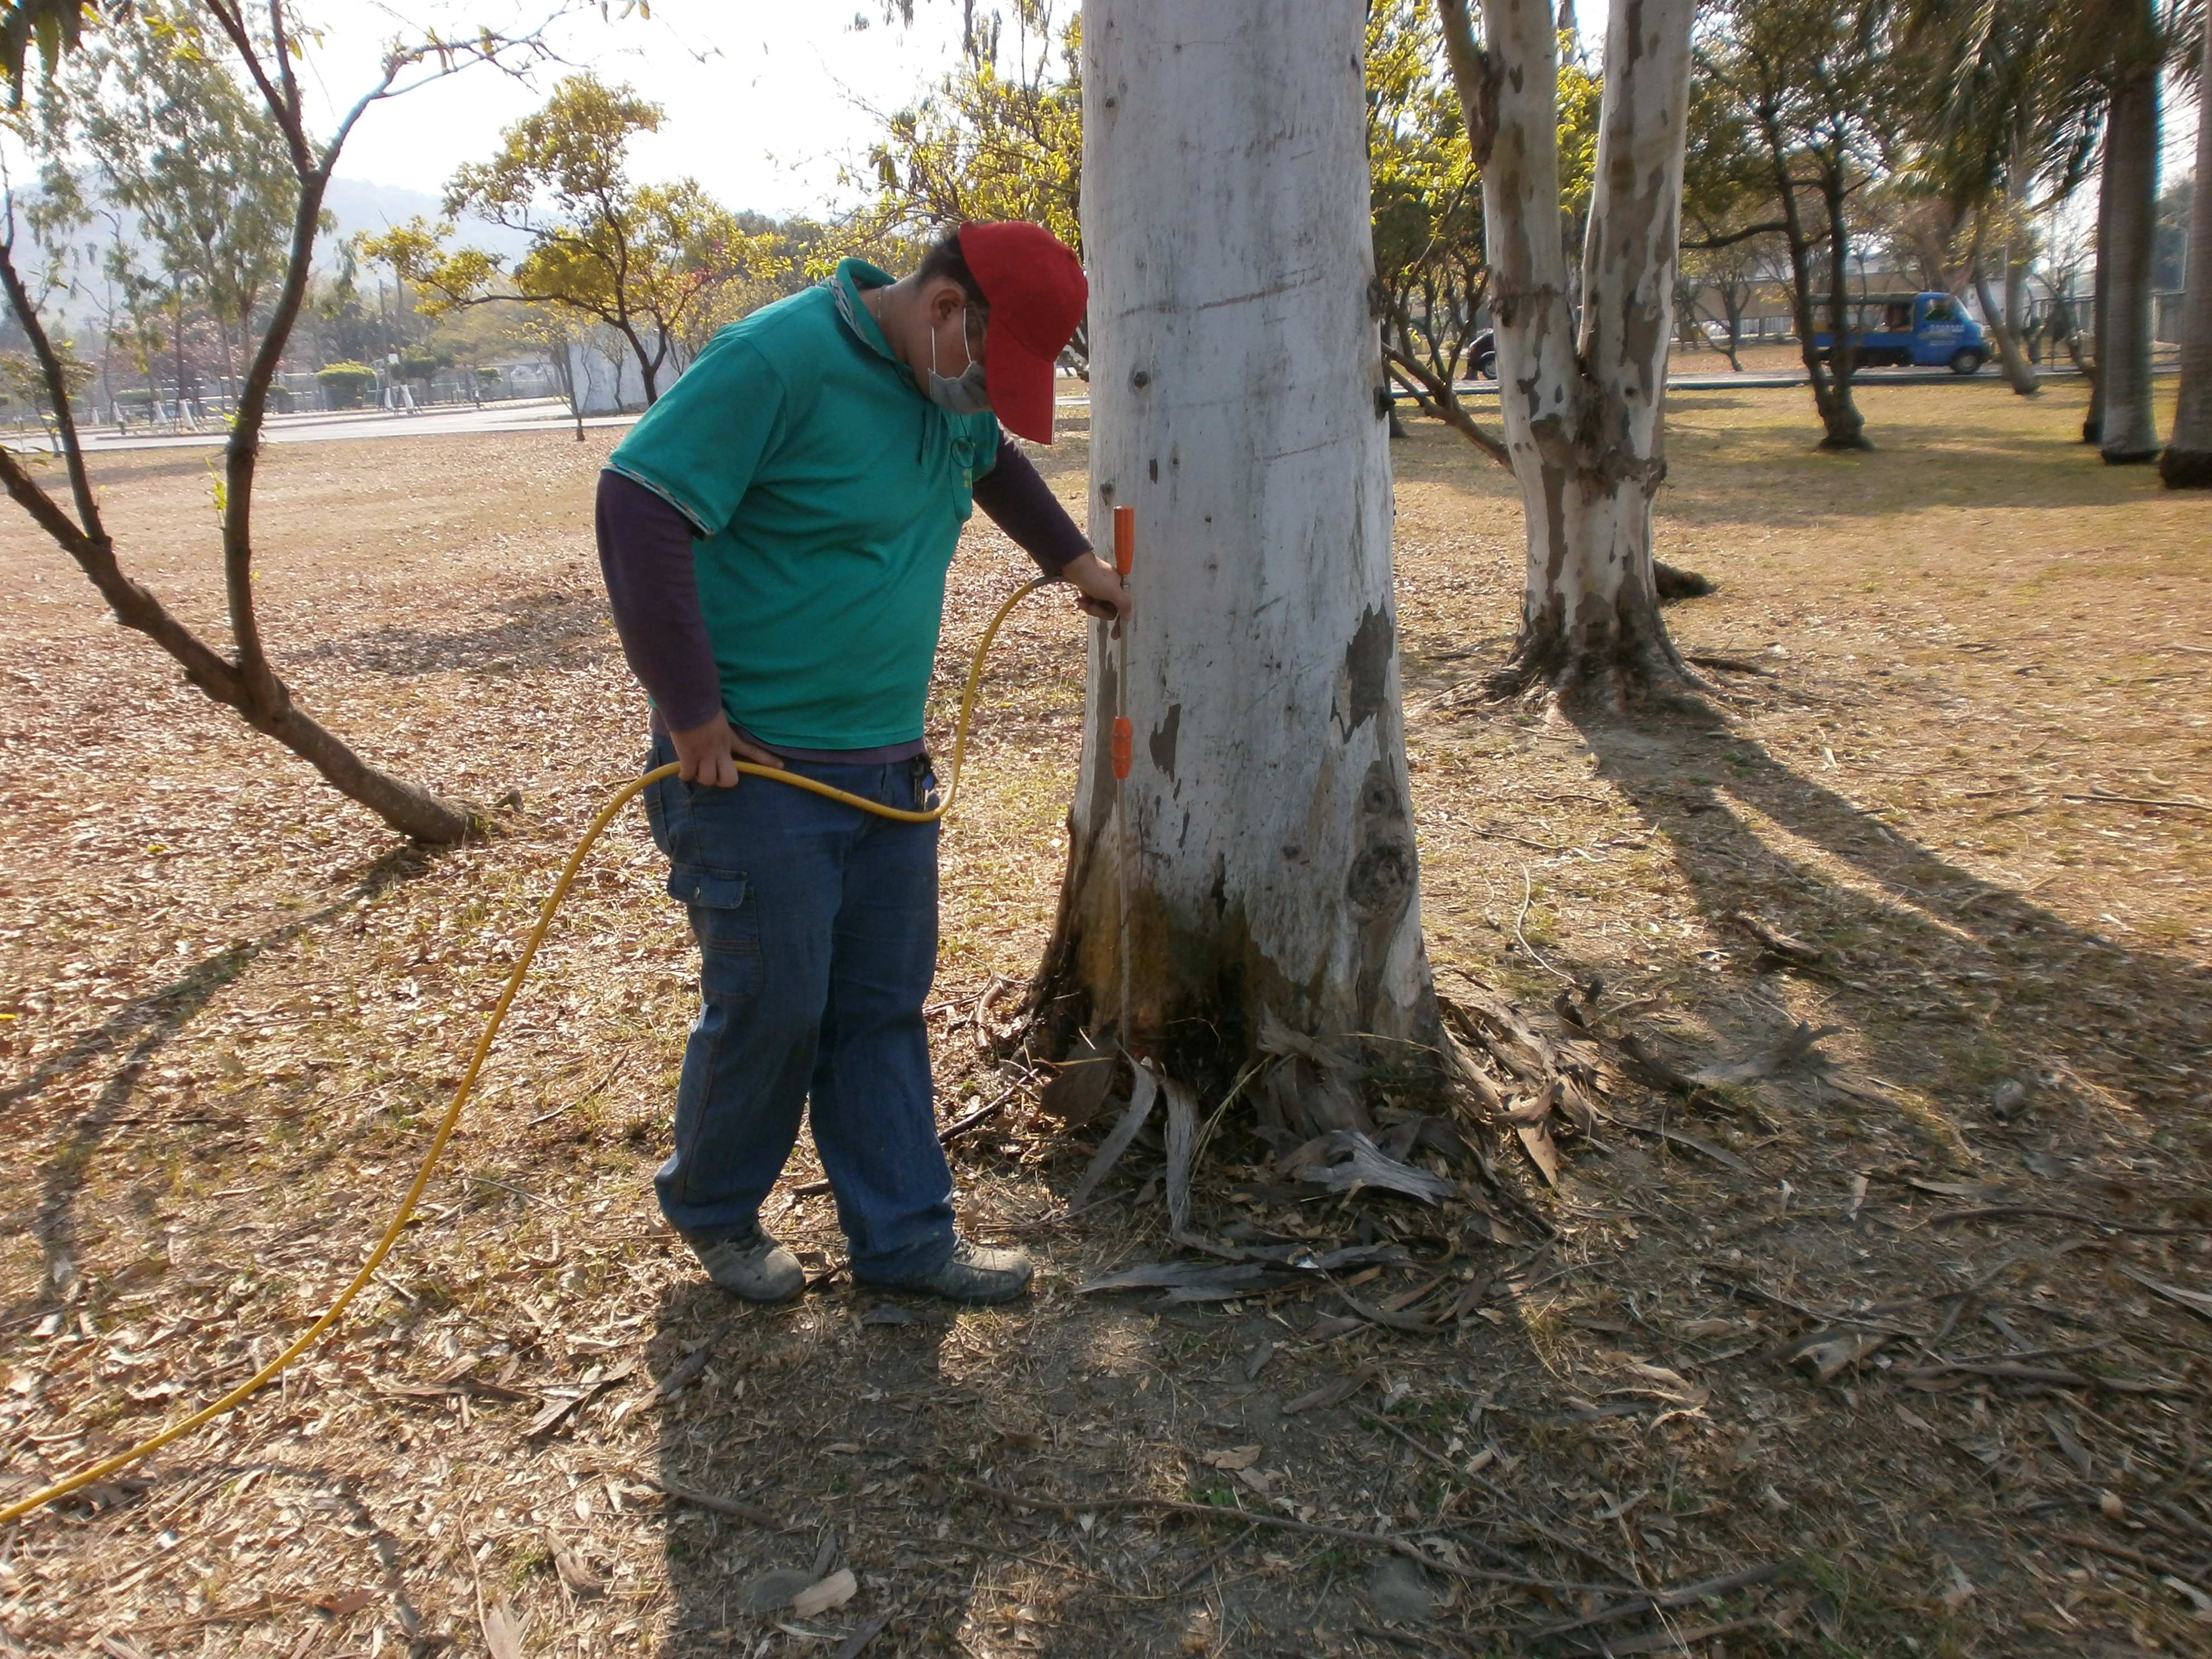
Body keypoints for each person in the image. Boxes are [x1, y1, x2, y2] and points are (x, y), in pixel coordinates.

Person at [595, 222, 1128, 1305]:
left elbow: (993, 461)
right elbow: (638, 502)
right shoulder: (776, 359)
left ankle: (905, 1242)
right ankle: (714, 1209)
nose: (981, 401)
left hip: (887, 761)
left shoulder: (945, 387)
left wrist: (1075, 561)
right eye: (985, 371)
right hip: (754, 772)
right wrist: (691, 713)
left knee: (880, 1004)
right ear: (943, 308)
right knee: (773, 1003)